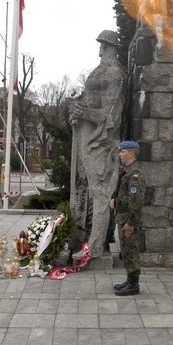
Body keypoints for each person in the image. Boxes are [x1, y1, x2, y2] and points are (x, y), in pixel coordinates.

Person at [70, 30, 126, 259]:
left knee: (100, 192)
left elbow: (112, 115)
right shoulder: (100, 71)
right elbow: (88, 102)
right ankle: (91, 243)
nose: (99, 48)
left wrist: (85, 112)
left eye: (102, 44)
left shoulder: (114, 73)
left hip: (101, 142)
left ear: (110, 46)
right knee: (91, 190)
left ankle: (95, 246)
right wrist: (76, 112)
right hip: (87, 136)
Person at [109, 141, 145, 296]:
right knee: (125, 248)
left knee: (130, 249)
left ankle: (133, 285)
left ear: (131, 153)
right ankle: (130, 280)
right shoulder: (126, 171)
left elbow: (136, 202)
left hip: (128, 219)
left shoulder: (135, 174)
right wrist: (114, 199)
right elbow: (122, 192)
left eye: (122, 152)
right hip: (122, 217)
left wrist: (131, 223)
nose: (120, 154)